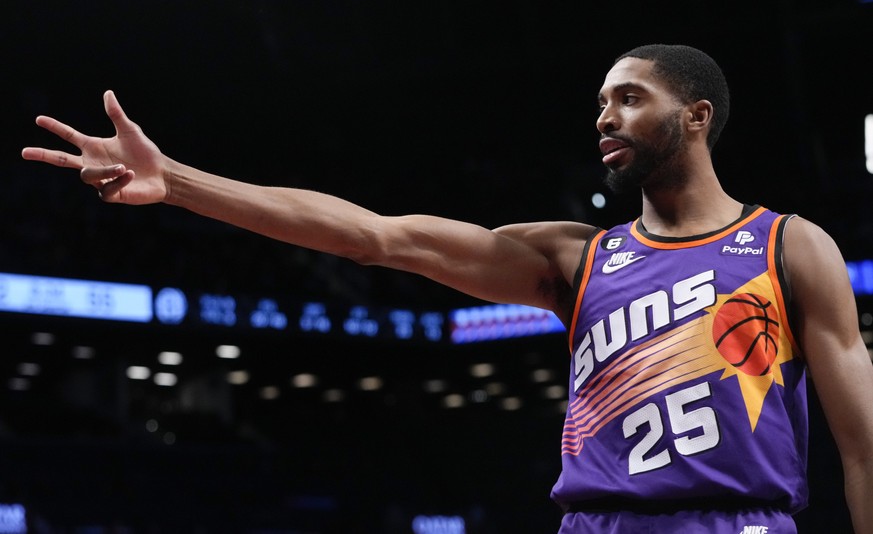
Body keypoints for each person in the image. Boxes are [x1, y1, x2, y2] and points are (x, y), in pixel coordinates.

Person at [22, 44, 873, 533]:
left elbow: (863, 449)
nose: (603, 117)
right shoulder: (574, 259)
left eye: (628, 97)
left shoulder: (786, 246)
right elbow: (371, 236)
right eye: (599, 103)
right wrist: (176, 181)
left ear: (696, 116)